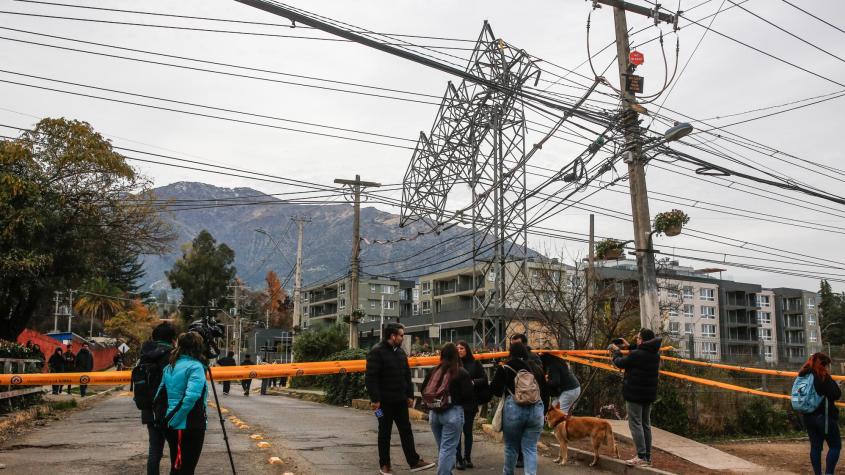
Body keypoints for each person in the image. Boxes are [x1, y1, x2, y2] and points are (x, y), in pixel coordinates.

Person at [365, 322, 435, 475]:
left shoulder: (400, 353)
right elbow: (371, 378)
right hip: (383, 404)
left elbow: (406, 375)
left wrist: (409, 395)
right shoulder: (376, 352)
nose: (403, 338)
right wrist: (375, 399)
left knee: (406, 431)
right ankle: (385, 465)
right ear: (393, 336)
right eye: (401, 335)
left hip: (400, 401)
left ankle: (414, 461)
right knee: (384, 433)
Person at [491, 342, 548, 475]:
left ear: (510, 352)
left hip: (513, 410)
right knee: (530, 448)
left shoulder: (505, 367)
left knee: (511, 447)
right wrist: (543, 413)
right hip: (536, 410)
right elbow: (545, 392)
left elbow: (495, 390)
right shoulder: (535, 368)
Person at [157, 332, 209, 475]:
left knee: (177, 466)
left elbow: (159, 395)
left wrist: (165, 419)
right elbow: (191, 396)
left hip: (172, 423)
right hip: (188, 424)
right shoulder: (195, 367)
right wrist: (175, 420)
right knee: (186, 469)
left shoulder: (170, 366)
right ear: (198, 347)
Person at [610, 328, 662, 467]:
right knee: (646, 424)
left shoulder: (637, 355)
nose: (636, 340)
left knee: (635, 424)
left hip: (634, 394)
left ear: (643, 340)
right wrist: (628, 346)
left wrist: (615, 352)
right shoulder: (655, 353)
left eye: (638, 338)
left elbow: (619, 363)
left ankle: (641, 456)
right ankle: (647, 457)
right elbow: (639, 351)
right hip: (648, 395)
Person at [421, 343, 473, 475]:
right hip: (452, 413)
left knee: (443, 448)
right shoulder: (460, 372)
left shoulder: (434, 370)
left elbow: (423, 390)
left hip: (434, 414)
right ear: (456, 355)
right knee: (448, 449)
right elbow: (469, 396)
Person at [138, 322, 176, 475]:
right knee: (176, 450)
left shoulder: (144, 355)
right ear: (172, 338)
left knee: (154, 451)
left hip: (148, 408)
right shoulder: (172, 356)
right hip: (169, 409)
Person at [798, 352, 841, 475]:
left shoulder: (803, 374)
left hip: (808, 416)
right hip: (825, 417)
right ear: (822, 364)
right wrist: (834, 383)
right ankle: (828, 473)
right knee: (835, 446)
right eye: (826, 365)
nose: (827, 368)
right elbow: (836, 394)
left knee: (815, 447)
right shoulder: (822, 376)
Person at [508, 333, 542, 468]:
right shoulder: (531, 361)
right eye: (512, 343)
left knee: (516, 439)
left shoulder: (533, 359)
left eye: (516, 343)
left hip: (519, 405)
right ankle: (523, 461)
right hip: (532, 406)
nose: (513, 346)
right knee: (530, 445)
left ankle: (517, 460)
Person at [455, 340, 488, 470]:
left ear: (467, 349)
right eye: (457, 348)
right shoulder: (454, 364)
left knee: (467, 431)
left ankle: (467, 457)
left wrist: (473, 382)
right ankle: (458, 459)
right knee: (457, 431)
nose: (459, 350)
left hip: (470, 402)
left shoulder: (475, 363)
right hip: (456, 403)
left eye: (462, 348)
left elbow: (484, 379)